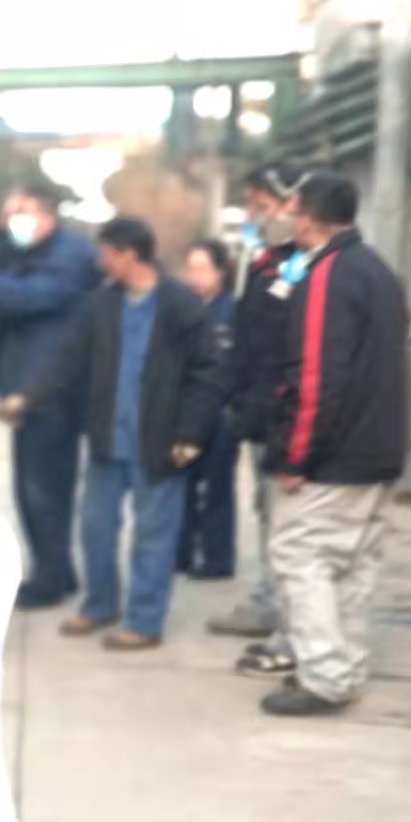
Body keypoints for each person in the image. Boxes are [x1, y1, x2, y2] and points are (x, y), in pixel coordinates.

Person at [3, 218, 220, 650]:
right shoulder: (101, 304)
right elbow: (66, 358)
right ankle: (100, 604)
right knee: (95, 527)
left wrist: (191, 433)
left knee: (153, 536)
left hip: (160, 441)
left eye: (106, 255)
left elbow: (208, 373)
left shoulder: (180, 306)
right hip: (108, 439)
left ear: (129, 255)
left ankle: (144, 621)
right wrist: (27, 397)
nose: (100, 263)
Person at [259, 172, 409, 716]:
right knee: (352, 565)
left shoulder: (327, 274)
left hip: (334, 456)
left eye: (293, 210)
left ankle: (323, 675)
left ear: (306, 218)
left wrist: (296, 456)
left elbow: (317, 377)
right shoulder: (380, 272)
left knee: (301, 557)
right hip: (378, 450)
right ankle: (344, 668)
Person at [0, 182, 102, 610]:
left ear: (47, 215)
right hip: (26, 391)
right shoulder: (28, 256)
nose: (13, 220)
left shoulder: (69, 255)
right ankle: (54, 569)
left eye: (22, 211)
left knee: (43, 490)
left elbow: (31, 298)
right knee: (32, 489)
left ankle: (50, 577)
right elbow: (8, 326)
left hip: (50, 391)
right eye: (9, 212)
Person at [207, 162, 309, 675]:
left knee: (292, 532)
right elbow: (249, 339)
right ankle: (271, 605)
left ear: (293, 204)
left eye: (261, 204)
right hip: (259, 412)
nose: (252, 214)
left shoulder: (311, 267)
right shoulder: (266, 262)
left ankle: (294, 633)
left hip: (284, 416)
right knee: (268, 515)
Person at [175, 238, 240, 579]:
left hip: (222, 412)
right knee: (182, 485)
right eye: (191, 269)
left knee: (216, 488)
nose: (196, 277)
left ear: (220, 271)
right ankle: (181, 552)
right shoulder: (181, 309)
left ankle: (217, 558)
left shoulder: (233, 312)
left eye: (202, 269)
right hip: (186, 410)